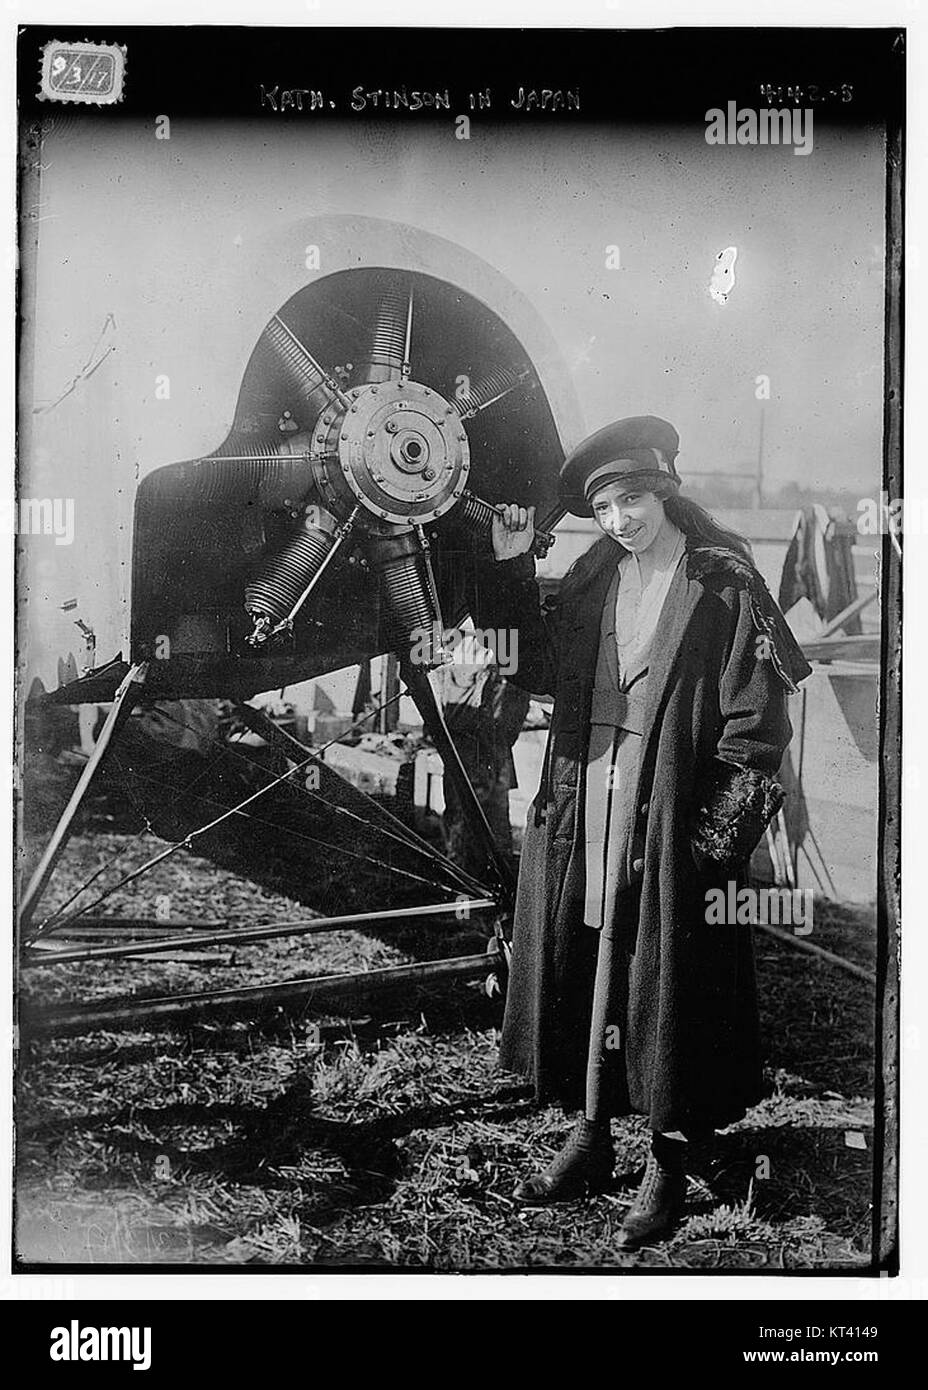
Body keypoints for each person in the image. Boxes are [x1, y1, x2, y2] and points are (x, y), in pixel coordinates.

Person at [473, 415, 811, 1249]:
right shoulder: (593, 576)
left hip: (671, 809)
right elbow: (539, 670)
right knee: (590, 952)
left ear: (662, 492)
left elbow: (757, 733)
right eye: (606, 508)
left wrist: (704, 849)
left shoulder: (724, 584)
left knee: (668, 976)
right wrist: (514, 575)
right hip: (585, 793)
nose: (621, 520)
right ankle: (590, 1134)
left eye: (632, 500)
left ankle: (665, 1160)